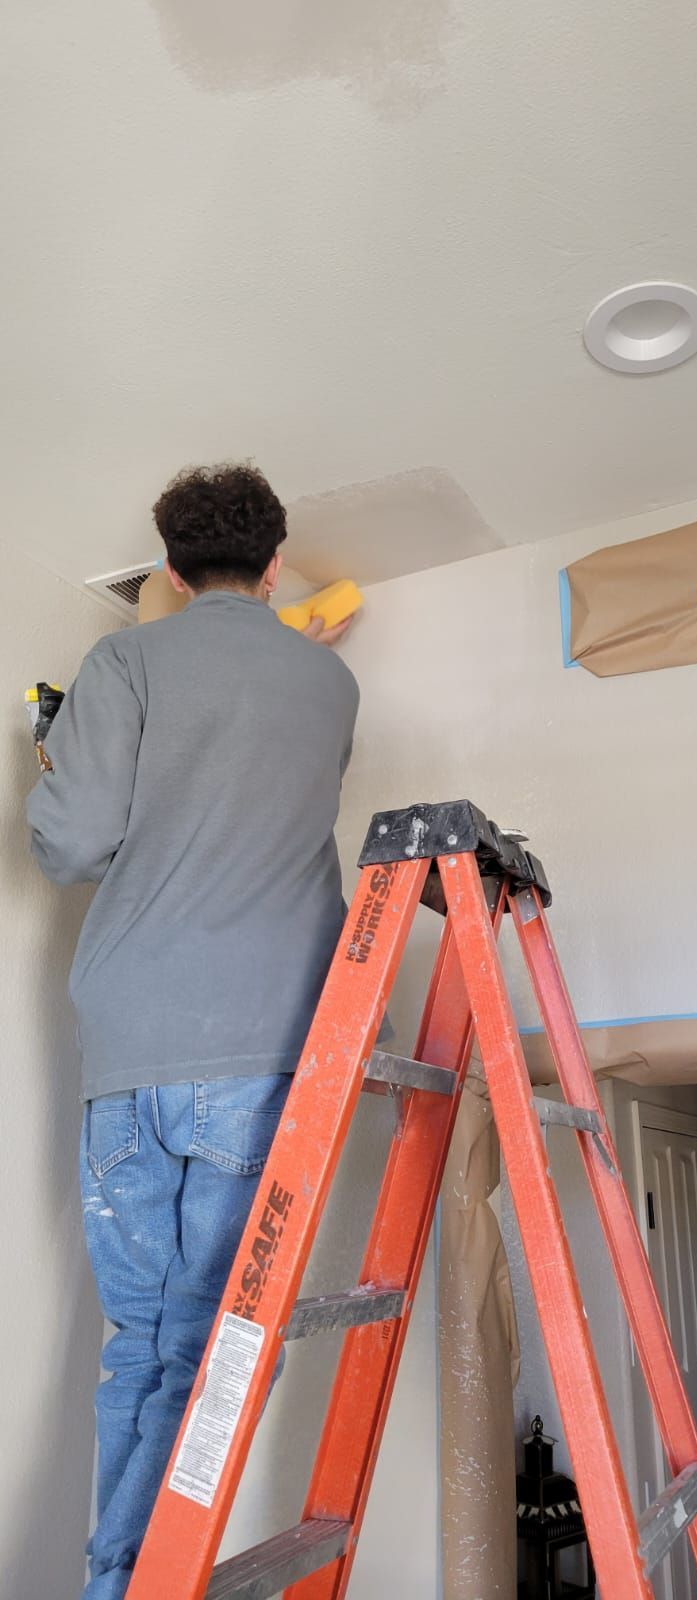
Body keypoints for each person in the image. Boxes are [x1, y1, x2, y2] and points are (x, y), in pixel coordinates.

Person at [27, 463, 359, 1600]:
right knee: (220, 1345)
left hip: (129, 1046)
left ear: (170, 569)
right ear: (273, 566)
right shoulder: (330, 685)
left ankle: (120, 1580)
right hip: (265, 1049)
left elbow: (70, 845)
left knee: (146, 1345)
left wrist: (54, 770)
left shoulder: (126, 660)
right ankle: (136, 1581)